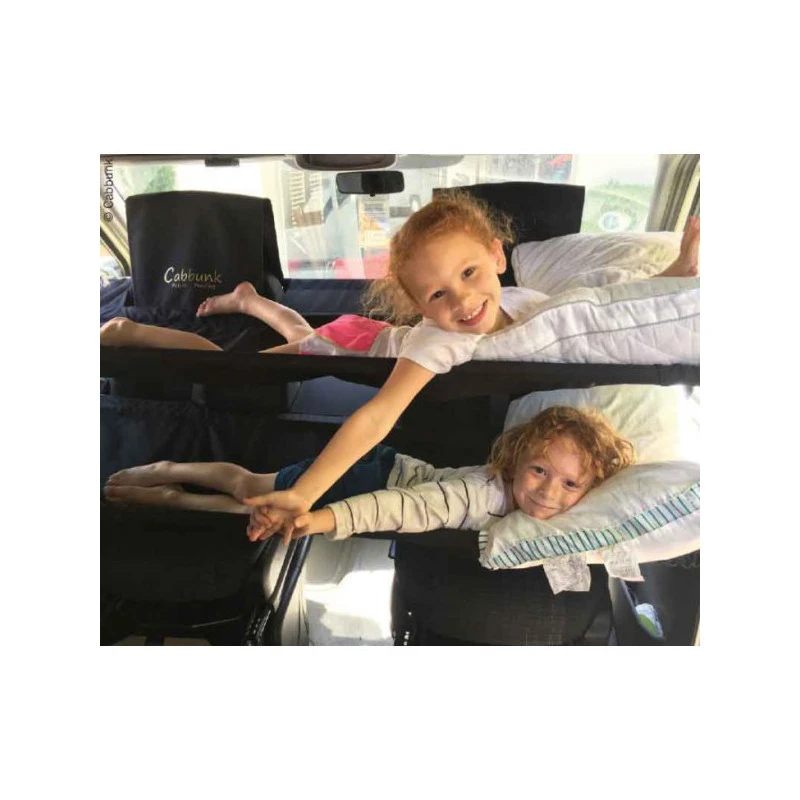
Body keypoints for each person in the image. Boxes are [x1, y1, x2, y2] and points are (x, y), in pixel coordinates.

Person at [101, 192, 697, 539]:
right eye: (437, 294)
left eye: (469, 273)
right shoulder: (439, 340)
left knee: (303, 337)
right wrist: (305, 492)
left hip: (362, 334)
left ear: (498, 256)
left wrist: (674, 273)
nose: (463, 301)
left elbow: (608, 302)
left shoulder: (526, 303)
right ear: (419, 305)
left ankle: (250, 300)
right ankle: (135, 331)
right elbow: (377, 415)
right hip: (354, 345)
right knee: (238, 364)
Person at [103, 406, 635, 544]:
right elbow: (401, 507)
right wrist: (322, 519)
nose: (548, 491)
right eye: (539, 470)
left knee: (255, 505)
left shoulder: (572, 514)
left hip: (387, 478)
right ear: (516, 462)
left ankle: (173, 496)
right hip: (374, 481)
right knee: (250, 490)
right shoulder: (479, 495)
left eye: (571, 484)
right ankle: (168, 473)